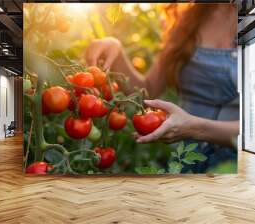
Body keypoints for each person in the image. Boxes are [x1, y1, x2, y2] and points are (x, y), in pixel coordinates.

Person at [84, 3, 239, 173]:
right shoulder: (189, 18)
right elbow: (148, 90)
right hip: (185, 160)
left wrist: (195, 128)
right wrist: (115, 51)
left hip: (237, 165)